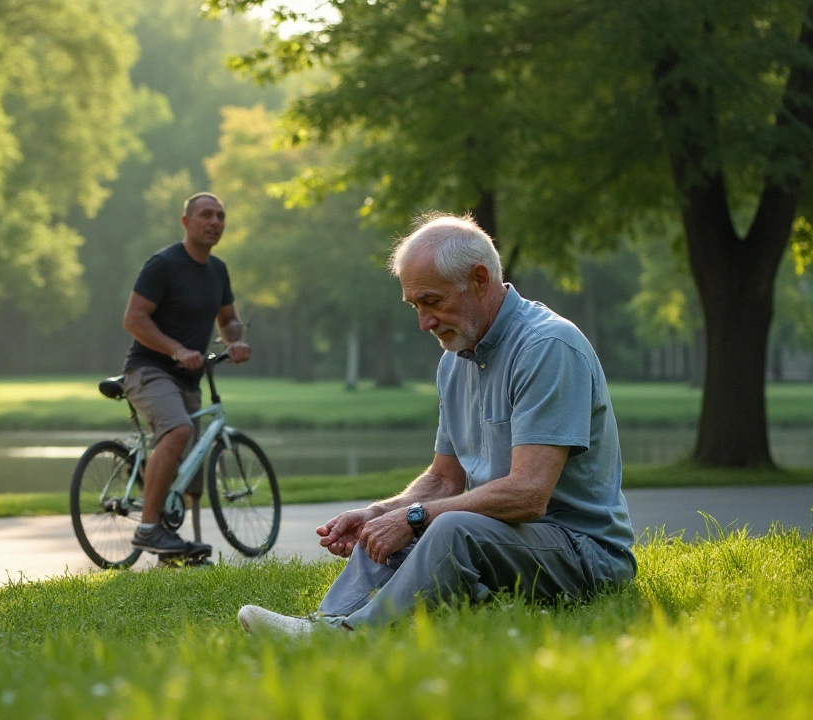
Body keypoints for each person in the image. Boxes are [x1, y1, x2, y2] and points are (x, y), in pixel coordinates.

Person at [238, 213, 636, 634]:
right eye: (415, 306)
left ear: (480, 280)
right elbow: (445, 480)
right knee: (407, 522)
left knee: (445, 526)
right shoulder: (455, 359)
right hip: (509, 539)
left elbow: (529, 494)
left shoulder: (547, 347)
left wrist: (412, 517)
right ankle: (322, 624)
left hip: (584, 552)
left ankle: (352, 637)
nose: (424, 322)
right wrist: (379, 513)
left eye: (433, 301)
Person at [121, 192, 251, 558]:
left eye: (221, 216)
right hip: (149, 370)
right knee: (178, 430)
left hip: (190, 378)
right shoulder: (164, 265)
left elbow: (228, 320)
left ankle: (183, 548)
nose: (214, 222)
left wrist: (236, 341)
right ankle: (148, 529)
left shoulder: (217, 270)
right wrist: (175, 349)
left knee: (192, 465)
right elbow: (133, 319)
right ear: (186, 222)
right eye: (206, 215)